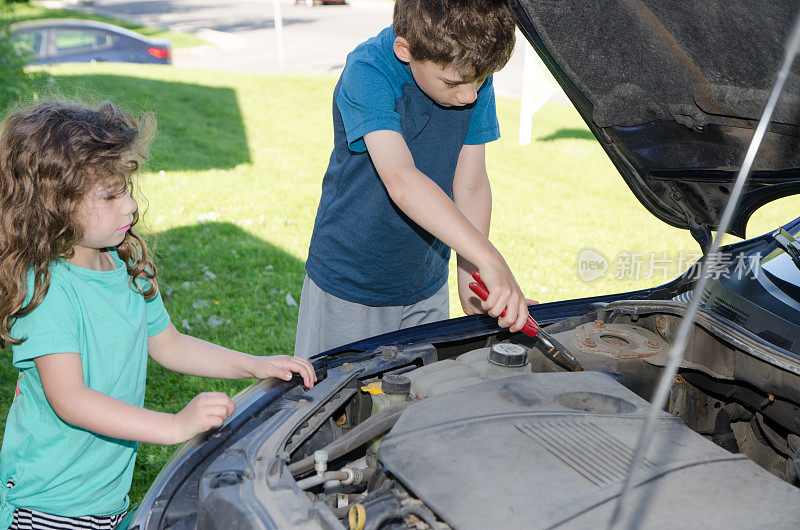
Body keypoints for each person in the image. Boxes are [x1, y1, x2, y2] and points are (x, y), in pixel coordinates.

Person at [0, 100, 317, 529]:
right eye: (111, 195)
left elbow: (169, 343)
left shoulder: (125, 266)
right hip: (50, 502)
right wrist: (173, 426)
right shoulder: (48, 292)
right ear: (54, 204)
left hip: (103, 493)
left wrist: (254, 365)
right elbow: (70, 400)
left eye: (127, 189)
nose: (130, 206)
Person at [295, 0, 530, 358]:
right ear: (405, 51)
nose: (469, 95)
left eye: (479, 81)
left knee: (416, 398)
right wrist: (490, 259)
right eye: (453, 83)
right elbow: (402, 180)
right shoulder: (368, 70)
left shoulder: (468, 67)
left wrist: (470, 269)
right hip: (350, 285)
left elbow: (470, 183)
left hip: (425, 284)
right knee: (345, 404)